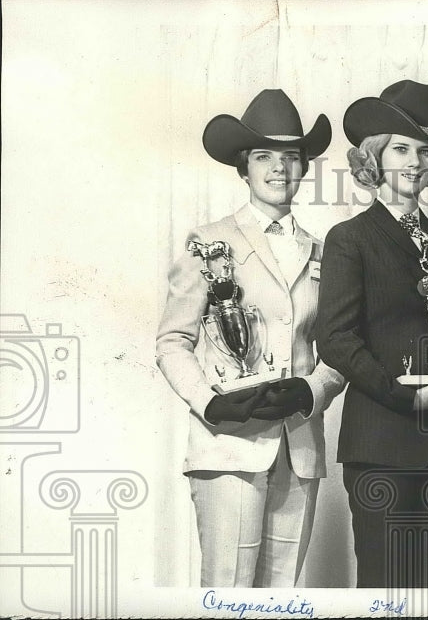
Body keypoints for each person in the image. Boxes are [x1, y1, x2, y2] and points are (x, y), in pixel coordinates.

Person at [156, 89, 346, 587]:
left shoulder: (327, 252)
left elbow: (341, 348)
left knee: (281, 596)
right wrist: (209, 403)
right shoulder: (208, 241)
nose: (279, 168)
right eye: (265, 157)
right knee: (228, 592)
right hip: (228, 443)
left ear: (305, 167)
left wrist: (314, 390)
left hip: (300, 448)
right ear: (245, 168)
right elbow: (172, 340)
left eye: (291, 157)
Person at [315, 79, 428, 588]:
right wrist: (404, 397)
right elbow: (336, 338)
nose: (414, 161)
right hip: (381, 442)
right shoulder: (350, 239)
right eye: (401, 148)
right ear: (375, 158)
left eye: (425, 151)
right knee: (385, 589)